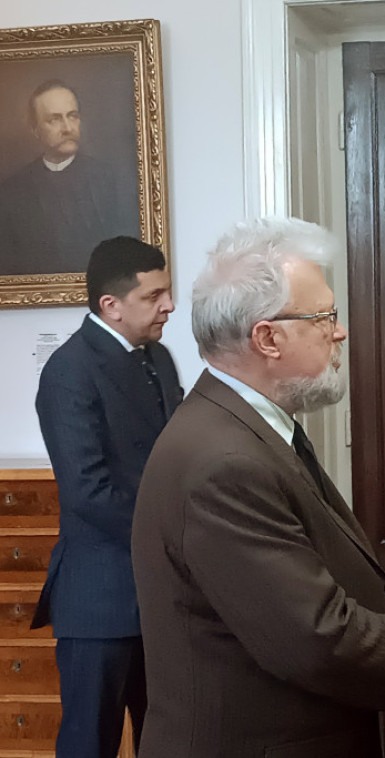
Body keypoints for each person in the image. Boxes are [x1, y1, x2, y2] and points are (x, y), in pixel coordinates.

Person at [131, 217, 385, 758]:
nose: (340, 332)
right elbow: (314, 638)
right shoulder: (224, 462)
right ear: (267, 338)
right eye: (323, 317)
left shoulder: (244, 426)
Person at [33, 236, 181, 758]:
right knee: (88, 744)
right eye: (154, 296)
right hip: (100, 598)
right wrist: (172, 539)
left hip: (161, 596)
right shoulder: (68, 371)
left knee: (167, 738)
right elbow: (89, 492)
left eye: (168, 291)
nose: (169, 305)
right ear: (111, 305)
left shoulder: (159, 358)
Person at [0, 80, 137, 276]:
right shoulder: (12, 191)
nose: (67, 128)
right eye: (54, 119)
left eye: (73, 116)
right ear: (35, 129)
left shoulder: (110, 181)